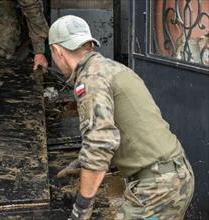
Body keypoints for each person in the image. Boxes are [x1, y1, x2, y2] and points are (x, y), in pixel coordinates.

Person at [49, 15, 194, 219]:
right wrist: (83, 162)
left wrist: (81, 208)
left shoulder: (91, 80)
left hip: (158, 187)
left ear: (57, 51)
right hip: (173, 175)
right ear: (89, 43)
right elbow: (125, 126)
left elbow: (100, 143)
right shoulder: (112, 68)